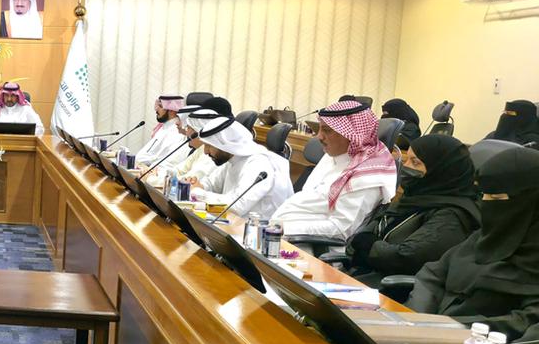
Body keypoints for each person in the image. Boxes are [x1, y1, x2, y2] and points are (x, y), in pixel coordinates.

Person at [407, 146, 539, 339]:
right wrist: (418, 320)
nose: (486, 203)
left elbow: (526, 322)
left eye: (496, 198)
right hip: (423, 332)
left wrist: (451, 328)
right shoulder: (487, 235)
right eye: (483, 195)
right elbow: (433, 275)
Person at [342, 135, 480, 285]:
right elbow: (365, 235)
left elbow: (408, 257)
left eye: (415, 162)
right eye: (407, 159)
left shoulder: (453, 215)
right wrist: (361, 243)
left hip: (394, 289)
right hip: (368, 275)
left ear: (441, 170)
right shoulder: (415, 197)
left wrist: (369, 246)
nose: (406, 167)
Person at [271, 100, 397, 238]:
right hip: (282, 233)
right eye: (320, 129)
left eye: (327, 130)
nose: (319, 136)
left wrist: (285, 229)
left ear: (351, 134)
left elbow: (341, 229)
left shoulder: (367, 174)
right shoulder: (334, 154)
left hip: (309, 244)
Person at [188, 115, 294, 217]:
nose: (205, 151)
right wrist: (199, 185)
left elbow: (238, 206)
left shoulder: (258, 163)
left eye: (209, 146)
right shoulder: (232, 158)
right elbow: (213, 183)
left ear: (225, 144)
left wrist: (198, 192)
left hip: (257, 226)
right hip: (232, 223)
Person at [133, 95, 189, 169]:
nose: (156, 110)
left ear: (172, 110)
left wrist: (137, 161)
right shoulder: (164, 127)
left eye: (160, 106)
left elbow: (161, 159)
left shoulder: (175, 132)